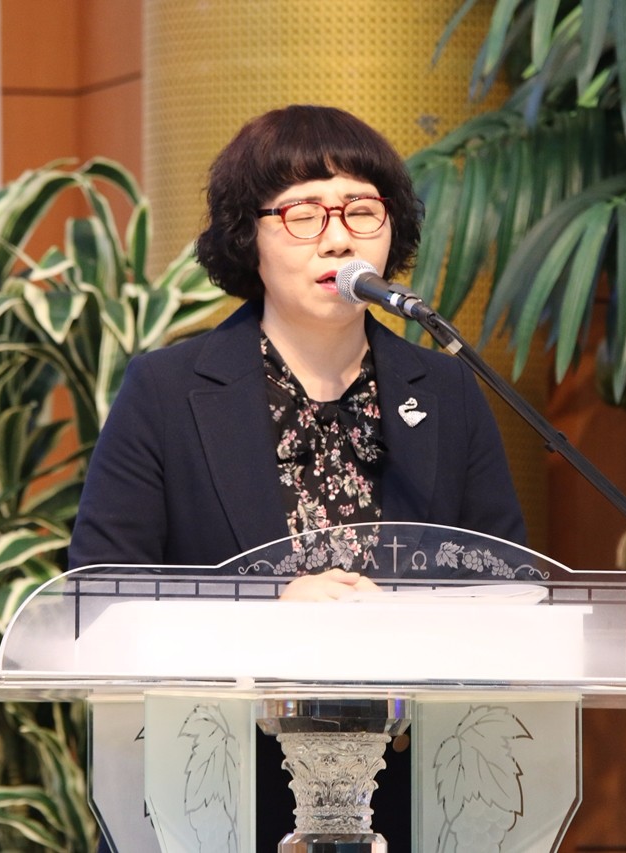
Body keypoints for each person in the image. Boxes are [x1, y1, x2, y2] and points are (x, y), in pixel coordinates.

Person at [70, 104, 526, 850]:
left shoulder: (446, 391)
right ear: (247, 236)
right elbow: (102, 594)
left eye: (361, 210)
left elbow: (504, 589)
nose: (338, 237)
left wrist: (408, 626)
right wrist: (269, 609)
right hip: (215, 796)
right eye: (303, 214)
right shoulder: (166, 391)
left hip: (415, 800)